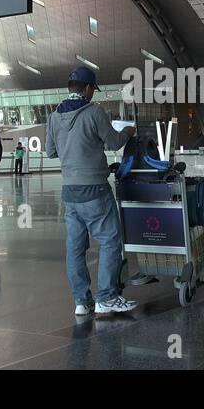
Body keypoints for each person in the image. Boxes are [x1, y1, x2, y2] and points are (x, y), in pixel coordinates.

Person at [46, 67, 138, 316]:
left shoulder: (54, 116)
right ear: (87, 88)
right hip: (95, 189)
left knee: (75, 247)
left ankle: (82, 301)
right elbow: (114, 142)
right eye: (92, 90)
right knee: (110, 240)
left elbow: (51, 152)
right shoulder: (94, 112)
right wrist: (128, 131)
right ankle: (107, 297)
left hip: (70, 192)